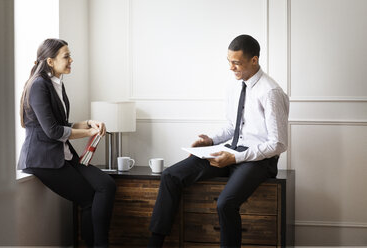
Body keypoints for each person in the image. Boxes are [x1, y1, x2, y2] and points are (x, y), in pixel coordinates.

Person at [147, 34, 289, 248]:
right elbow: (234, 127)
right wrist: (210, 140)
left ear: (254, 60)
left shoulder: (270, 92)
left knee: (225, 204)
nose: (231, 68)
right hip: (230, 151)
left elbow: (278, 143)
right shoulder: (235, 86)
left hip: (258, 161)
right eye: (229, 62)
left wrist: (236, 157)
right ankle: (155, 244)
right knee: (170, 175)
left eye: (236, 63)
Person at [18, 38, 116, 248]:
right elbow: (53, 131)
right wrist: (88, 132)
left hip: (62, 154)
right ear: (50, 61)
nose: (71, 60)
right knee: (89, 199)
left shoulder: (56, 84)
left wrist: (89, 122)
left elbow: (62, 124)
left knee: (106, 185)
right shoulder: (38, 85)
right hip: (42, 159)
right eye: (66, 56)